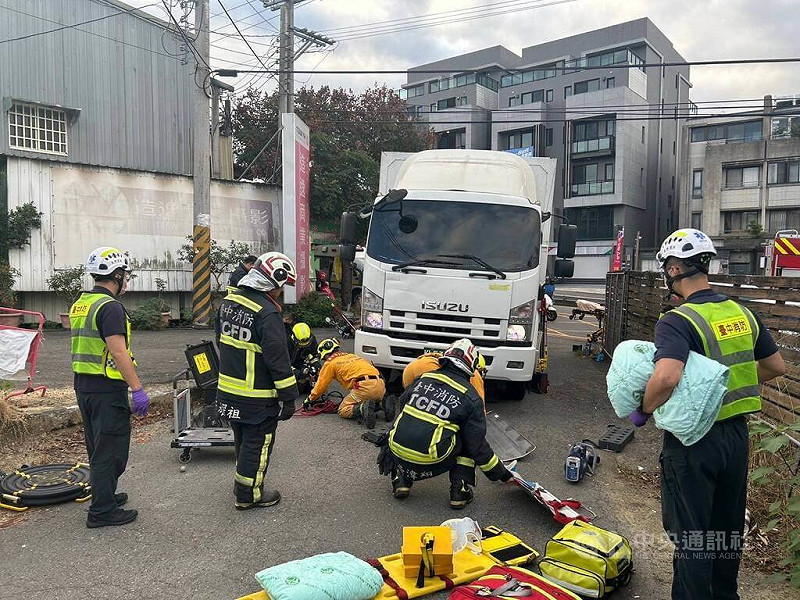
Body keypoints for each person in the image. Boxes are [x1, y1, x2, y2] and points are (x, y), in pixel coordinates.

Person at [634, 228, 785, 600]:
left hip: (692, 441)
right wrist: (727, 388)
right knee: (725, 531)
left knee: (692, 538)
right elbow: (775, 366)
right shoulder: (741, 313)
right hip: (735, 439)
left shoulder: (678, 320)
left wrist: (643, 409)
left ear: (672, 270)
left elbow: (667, 376)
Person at [70, 246, 149, 529]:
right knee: (111, 450)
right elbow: (118, 352)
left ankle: (106, 495)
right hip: (106, 390)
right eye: (125, 275)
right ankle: (102, 511)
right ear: (116, 275)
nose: (126, 279)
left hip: (84, 386)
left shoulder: (82, 302)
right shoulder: (110, 307)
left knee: (97, 446)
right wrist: (137, 389)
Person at [216, 251, 300, 510]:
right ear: (274, 281)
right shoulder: (267, 313)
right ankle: (249, 494)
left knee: (242, 440)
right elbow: (278, 360)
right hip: (256, 395)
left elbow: (223, 341)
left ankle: (242, 484)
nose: (282, 291)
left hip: (228, 390)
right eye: (283, 285)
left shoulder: (229, 303)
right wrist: (289, 398)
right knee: (258, 443)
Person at [385, 339, 513, 509]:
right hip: (431, 457)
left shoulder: (422, 378)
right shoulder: (471, 397)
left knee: (406, 424)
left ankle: (401, 479)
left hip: (396, 449)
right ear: (471, 367)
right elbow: (477, 446)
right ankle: (459, 490)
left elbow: (403, 406)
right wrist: (503, 474)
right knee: (468, 438)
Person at [306, 338, 386, 428]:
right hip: (380, 384)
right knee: (369, 398)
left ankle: (362, 409)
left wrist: (309, 399)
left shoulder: (330, 363)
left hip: (364, 388)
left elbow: (321, 386)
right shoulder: (353, 356)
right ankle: (383, 405)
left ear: (326, 355)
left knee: (342, 410)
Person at [402, 350, 487, 403]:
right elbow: (479, 406)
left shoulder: (447, 361)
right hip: (426, 371)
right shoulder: (475, 375)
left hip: (410, 370)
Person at [287, 322, 318, 393]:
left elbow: (312, 354)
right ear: (294, 337)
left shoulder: (311, 339)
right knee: (297, 388)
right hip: (290, 365)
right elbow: (282, 363)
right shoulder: (285, 343)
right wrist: (297, 373)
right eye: (301, 345)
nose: (303, 346)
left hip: (302, 363)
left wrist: (315, 364)